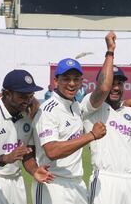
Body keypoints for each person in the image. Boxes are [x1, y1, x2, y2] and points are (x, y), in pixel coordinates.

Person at [31, 32, 117, 204]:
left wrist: (110, 51)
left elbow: (104, 88)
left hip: (76, 184)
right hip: (52, 183)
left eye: (76, 79)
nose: (71, 83)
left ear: (81, 82)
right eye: (66, 79)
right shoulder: (47, 110)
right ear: (56, 81)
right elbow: (52, 151)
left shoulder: (77, 107)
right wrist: (91, 136)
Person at [0, 69, 54, 204]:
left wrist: (34, 170)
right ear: (7, 93)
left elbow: (26, 154)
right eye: (23, 96)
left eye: (31, 96)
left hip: (17, 183)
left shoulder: (27, 116)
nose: (28, 101)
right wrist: (4, 159)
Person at [84, 64, 131, 204]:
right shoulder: (91, 108)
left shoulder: (130, 111)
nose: (116, 87)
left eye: (120, 83)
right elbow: (100, 93)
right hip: (105, 179)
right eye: (111, 83)